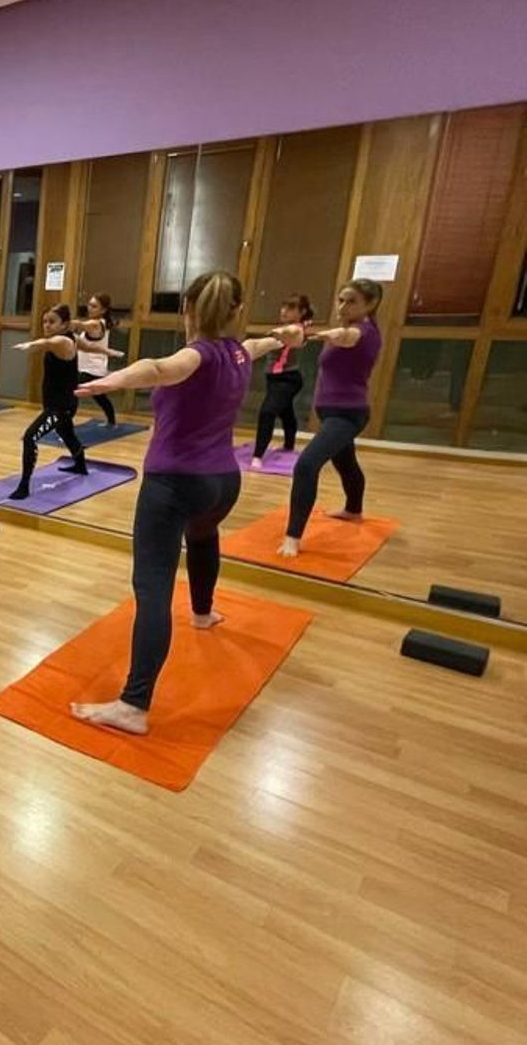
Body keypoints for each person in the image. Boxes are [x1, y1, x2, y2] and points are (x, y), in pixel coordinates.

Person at [68, 272, 304, 734]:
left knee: (153, 587)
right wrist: (289, 334)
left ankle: (134, 705)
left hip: (174, 483)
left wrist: (111, 381)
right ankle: (203, 611)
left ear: (188, 310)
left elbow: (160, 369)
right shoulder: (241, 351)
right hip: (222, 483)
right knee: (202, 535)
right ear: (237, 310)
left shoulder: (196, 354)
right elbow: (270, 342)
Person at [279, 280, 384, 558]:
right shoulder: (351, 328)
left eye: (351, 301)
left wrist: (320, 335)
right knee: (345, 462)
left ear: (370, 304)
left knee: (306, 465)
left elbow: (346, 337)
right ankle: (353, 510)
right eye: (341, 300)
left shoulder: (365, 332)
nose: (343, 306)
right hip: (331, 413)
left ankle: (292, 537)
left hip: (348, 414)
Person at [7, 305, 93, 499]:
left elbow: (48, 342)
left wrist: (31, 345)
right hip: (61, 403)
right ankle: (80, 465)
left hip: (61, 406)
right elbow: (88, 346)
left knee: (30, 437)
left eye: (52, 322)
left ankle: (24, 486)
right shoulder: (72, 338)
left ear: (65, 324)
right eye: (44, 321)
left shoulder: (63, 341)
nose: (46, 325)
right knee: (66, 433)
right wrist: (108, 352)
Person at [251, 294, 314, 467]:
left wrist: (279, 332)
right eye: (283, 307)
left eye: (290, 308)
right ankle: (289, 445)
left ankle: (258, 455)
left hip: (288, 379)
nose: (284, 311)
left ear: (302, 312)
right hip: (274, 379)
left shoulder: (299, 329)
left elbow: (292, 331)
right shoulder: (285, 327)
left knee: (268, 412)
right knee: (286, 412)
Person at [71, 293, 125, 425]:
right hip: (93, 368)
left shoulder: (95, 324)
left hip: (90, 370)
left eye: (94, 306)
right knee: (99, 396)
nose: (89, 308)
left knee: (71, 393)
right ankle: (111, 422)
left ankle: (66, 424)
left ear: (103, 310)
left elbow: (79, 324)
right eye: (89, 305)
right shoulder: (103, 323)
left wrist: (62, 322)